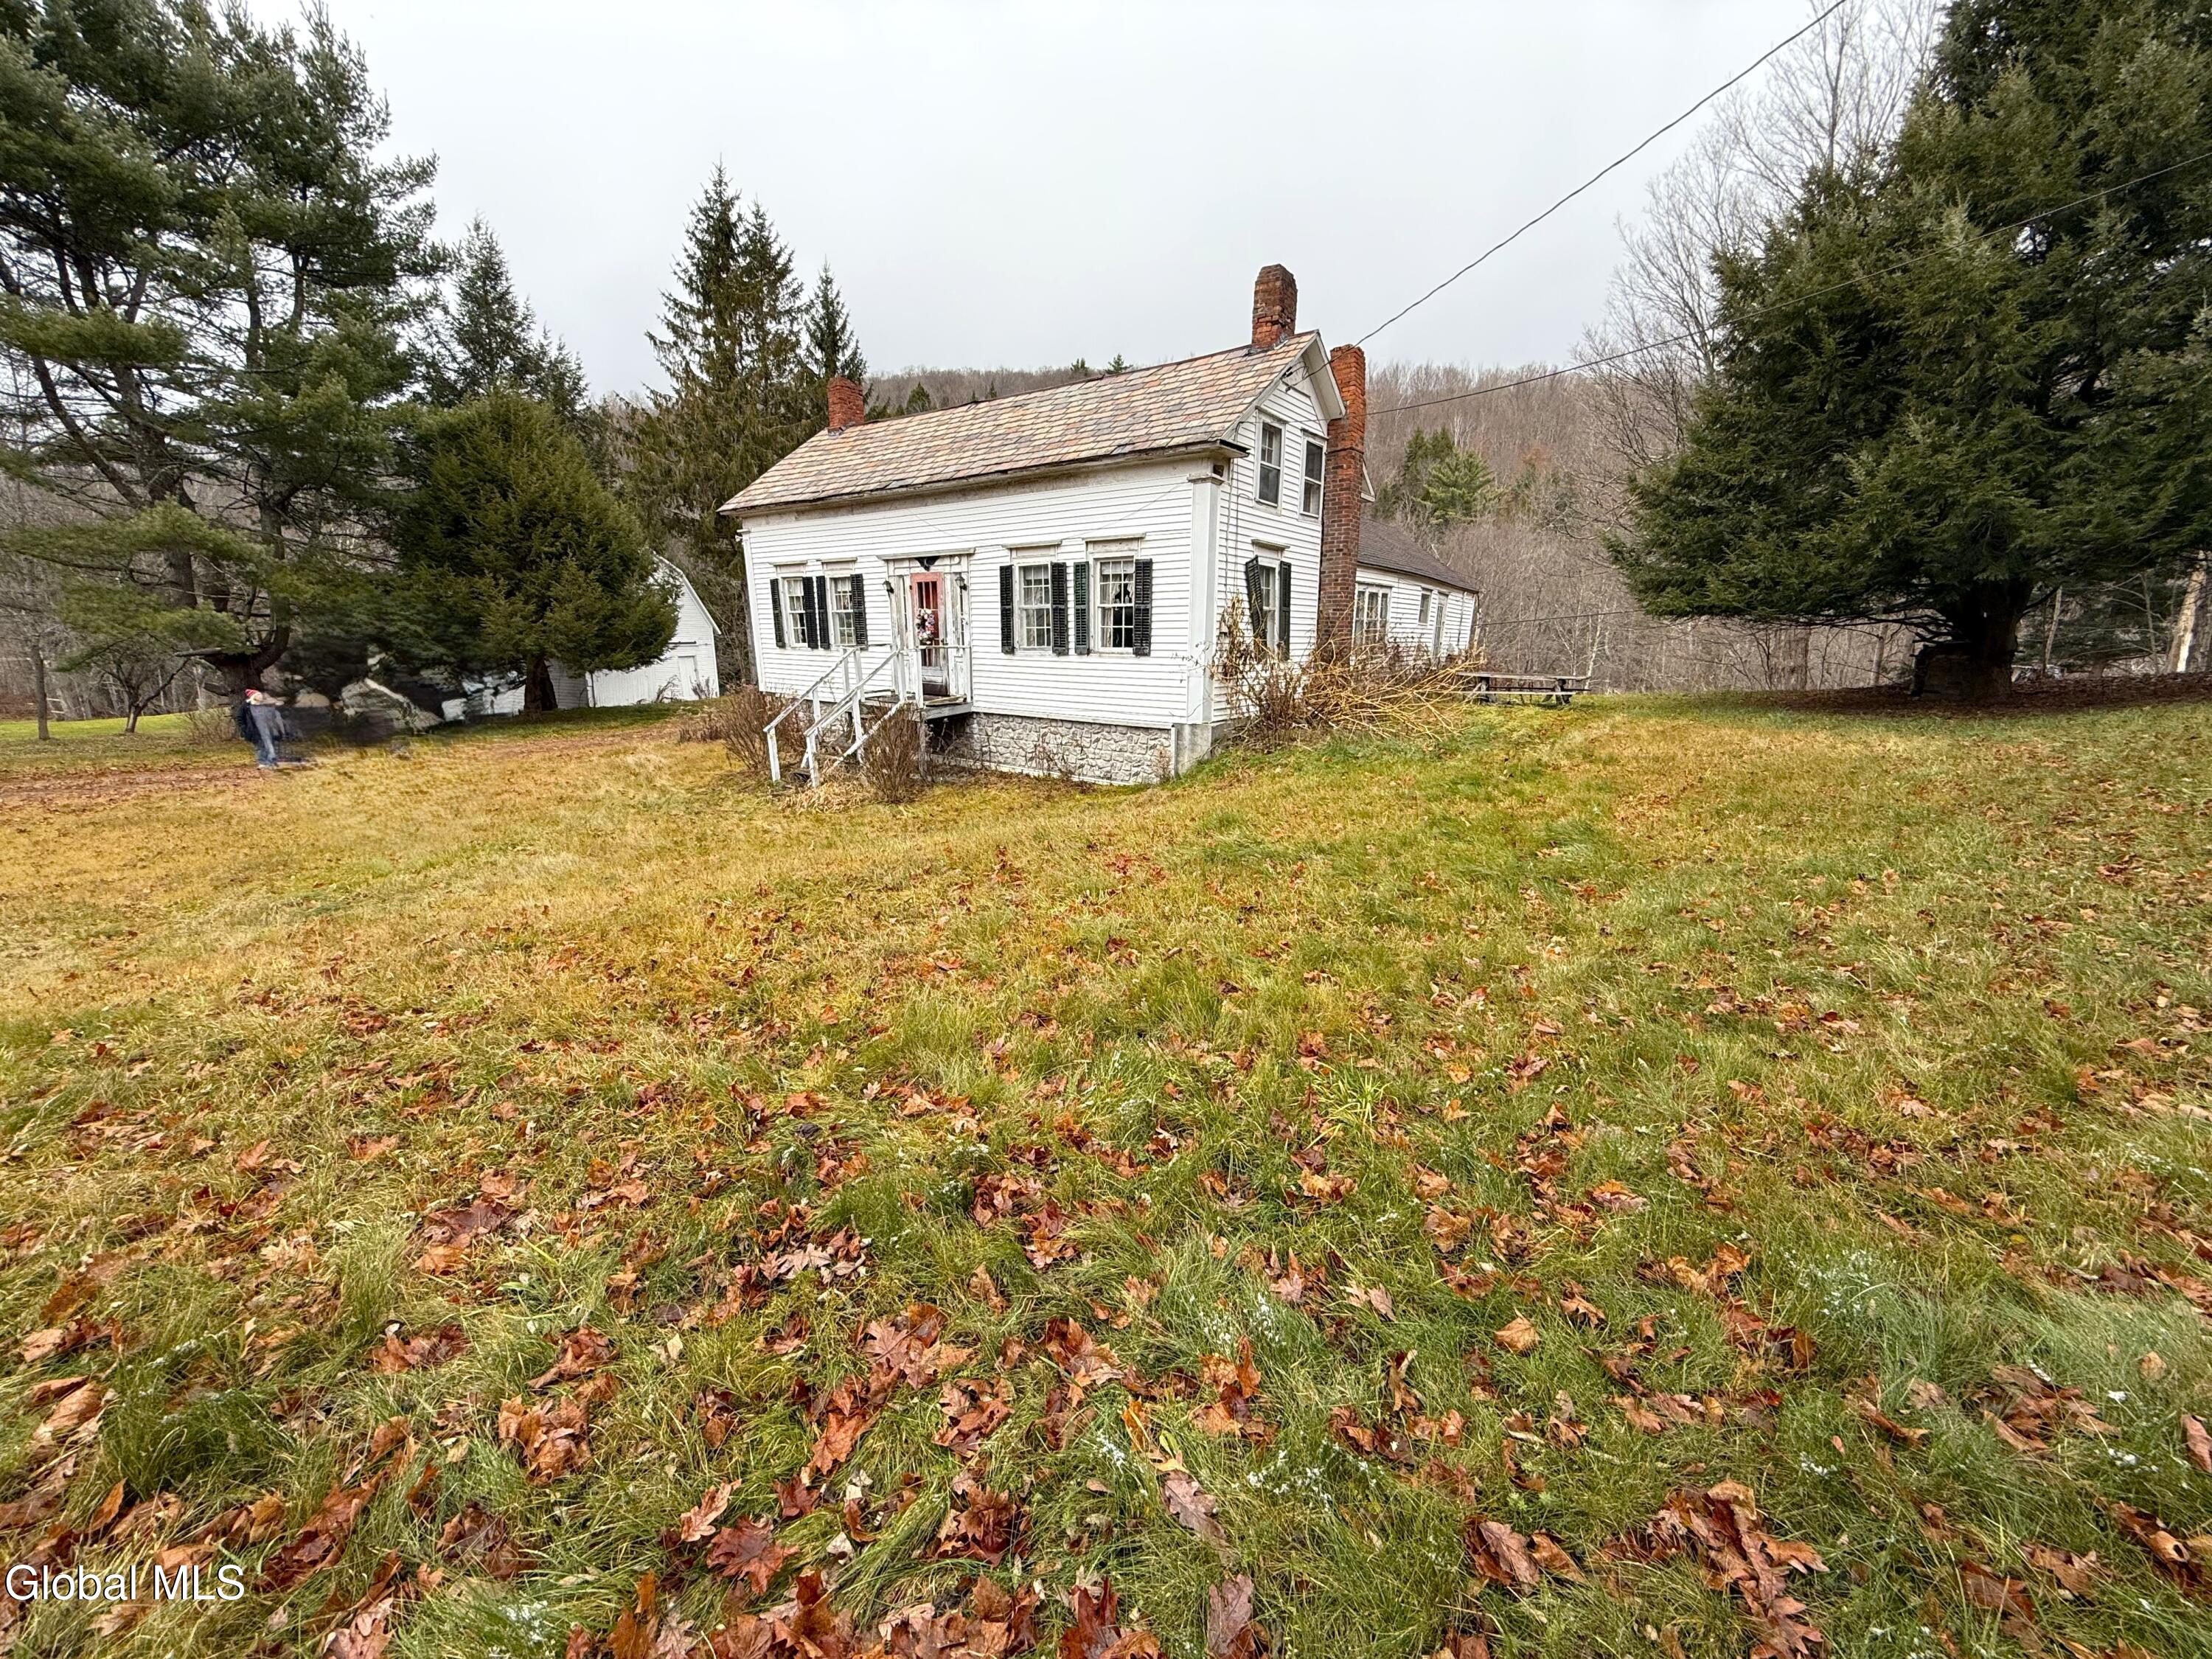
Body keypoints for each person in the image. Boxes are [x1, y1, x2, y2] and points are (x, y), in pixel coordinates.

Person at [243, 686, 286, 769]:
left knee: (270, 745)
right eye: (258, 695)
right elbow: (244, 719)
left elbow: (274, 716)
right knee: (260, 747)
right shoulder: (248, 708)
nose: (261, 696)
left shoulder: (266, 706)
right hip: (256, 731)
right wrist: (245, 729)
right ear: (253, 697)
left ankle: (271, 762)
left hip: (269, 729)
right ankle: (263, 762)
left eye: (260, 695)